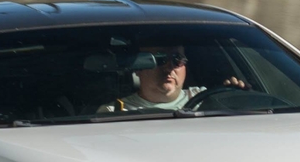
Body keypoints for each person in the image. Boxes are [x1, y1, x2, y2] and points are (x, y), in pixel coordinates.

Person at [101, 46, 245, 113]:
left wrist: (237, 96)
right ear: (138, 68)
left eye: (178, 60)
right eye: (159, 59)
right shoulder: (115, 112)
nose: (169, 67)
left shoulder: (209, 100)